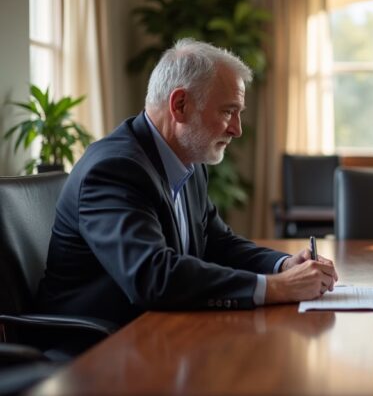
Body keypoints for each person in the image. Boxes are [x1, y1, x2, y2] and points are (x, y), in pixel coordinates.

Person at [36, 38, 338, 328]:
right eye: (228, 111)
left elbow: (218, 243)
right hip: (95, 348)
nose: (237, 130)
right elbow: (152, 277)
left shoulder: (188, 162)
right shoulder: (114, 169)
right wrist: (276, 288)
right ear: (179, 105)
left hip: (158, 332)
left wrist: (283, 266)